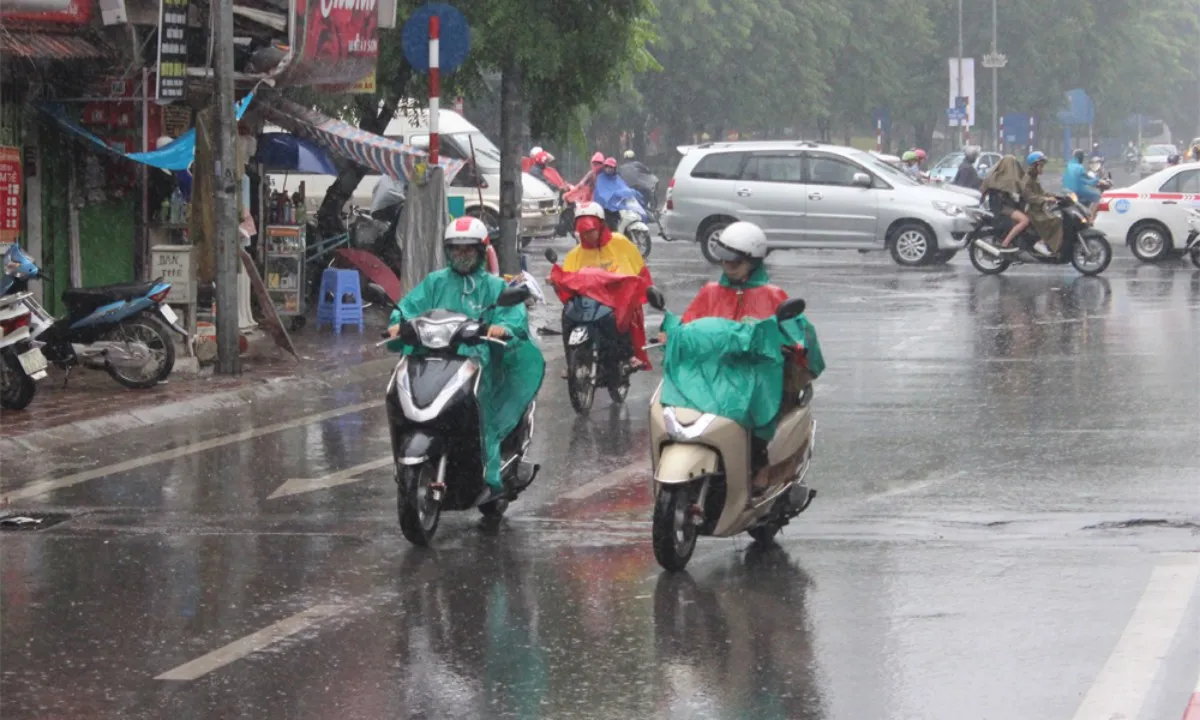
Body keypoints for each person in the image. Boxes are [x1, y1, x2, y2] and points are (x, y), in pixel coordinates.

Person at [385, 216, 546, 493]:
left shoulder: (493, 287)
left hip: (478, 360)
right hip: (434, 357)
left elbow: (512, 317)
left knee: (483, 414)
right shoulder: (435, 282)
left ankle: (490, 467)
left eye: (468, 249)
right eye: (455, 249)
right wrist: (397, 323)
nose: (461, 255)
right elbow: (409, 306)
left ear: (481, 251)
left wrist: (501, 328)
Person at [658, 221, 824, 488]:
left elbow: (799, 332)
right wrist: (671, 334)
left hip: (753, 373)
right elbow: (689, 323)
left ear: (753, 260)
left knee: (756, 406)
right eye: (724, 259)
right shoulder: (710, 292)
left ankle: (758, 463)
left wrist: (794, 345)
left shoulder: (772, 296)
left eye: (735, 261)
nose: (727, 266)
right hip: (712, 370)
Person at [550, 202, 652, 374]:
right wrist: (555, 279)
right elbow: (568, 278)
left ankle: (629, 356)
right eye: (583, 232)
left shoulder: (620, 243)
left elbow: (639, 271)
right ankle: (571, 365)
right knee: (567, 317)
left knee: (622, 317)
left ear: (601, 226)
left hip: (615, 303)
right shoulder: (575, 253)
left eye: (591, 231)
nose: (588, 236)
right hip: (587, 305)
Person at [978, 155, 1031, 253]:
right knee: (1024, 220)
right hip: (1002, 207)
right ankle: (1005, 243)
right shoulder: (1005, 178)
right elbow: (982, 193)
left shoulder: (996, 176)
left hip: (1007, 205)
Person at [1020, 151, 1063, 256]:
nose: (1042, 168)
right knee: (1054, 221)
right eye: (1041, 165)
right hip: (1031, 211)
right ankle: (1041, 242)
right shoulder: (1027, 179)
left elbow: (1042, 192)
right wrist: (1045, 199)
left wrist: (1056, 195)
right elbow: (1029, 197)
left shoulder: (1035, 179)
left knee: (1057, 219)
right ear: (1034, 165)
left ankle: (1051, 245)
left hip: (1039, 209)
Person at [593, 156, 644, 230]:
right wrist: (610, 198)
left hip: (618, 205)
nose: (609, 169)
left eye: (611, 167)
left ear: (614, 168)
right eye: (607, 166)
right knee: (612, 225)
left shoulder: (617, 178)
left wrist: (632, 192)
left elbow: (624, 187)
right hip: (606, 207)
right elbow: (602, 193)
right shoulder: (601, 178)